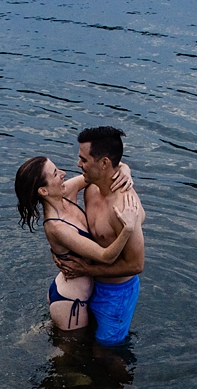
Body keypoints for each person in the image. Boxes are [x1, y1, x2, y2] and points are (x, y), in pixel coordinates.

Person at [15, 156, 143, 332]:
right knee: (69, 356)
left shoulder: (66, 192)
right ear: (43, 191)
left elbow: (100, 171)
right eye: (55, 174)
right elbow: (106, 256)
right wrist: (127, 229)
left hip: (73, 289)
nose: (63, 174)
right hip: (71, 300)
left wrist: (125, 170)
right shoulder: (57, 227)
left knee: (67, 338)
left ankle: (40, 329)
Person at [55, 127, 146, 347]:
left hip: (116, 294)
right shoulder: (91, 186)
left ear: (104, 163)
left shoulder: (124, 207)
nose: (78, 165)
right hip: (91, 283)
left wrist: (87, 270)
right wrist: (125, 167)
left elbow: (136, 265)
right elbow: (57, 192)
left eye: (83, 159)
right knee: (83, 342)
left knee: (106, 353)